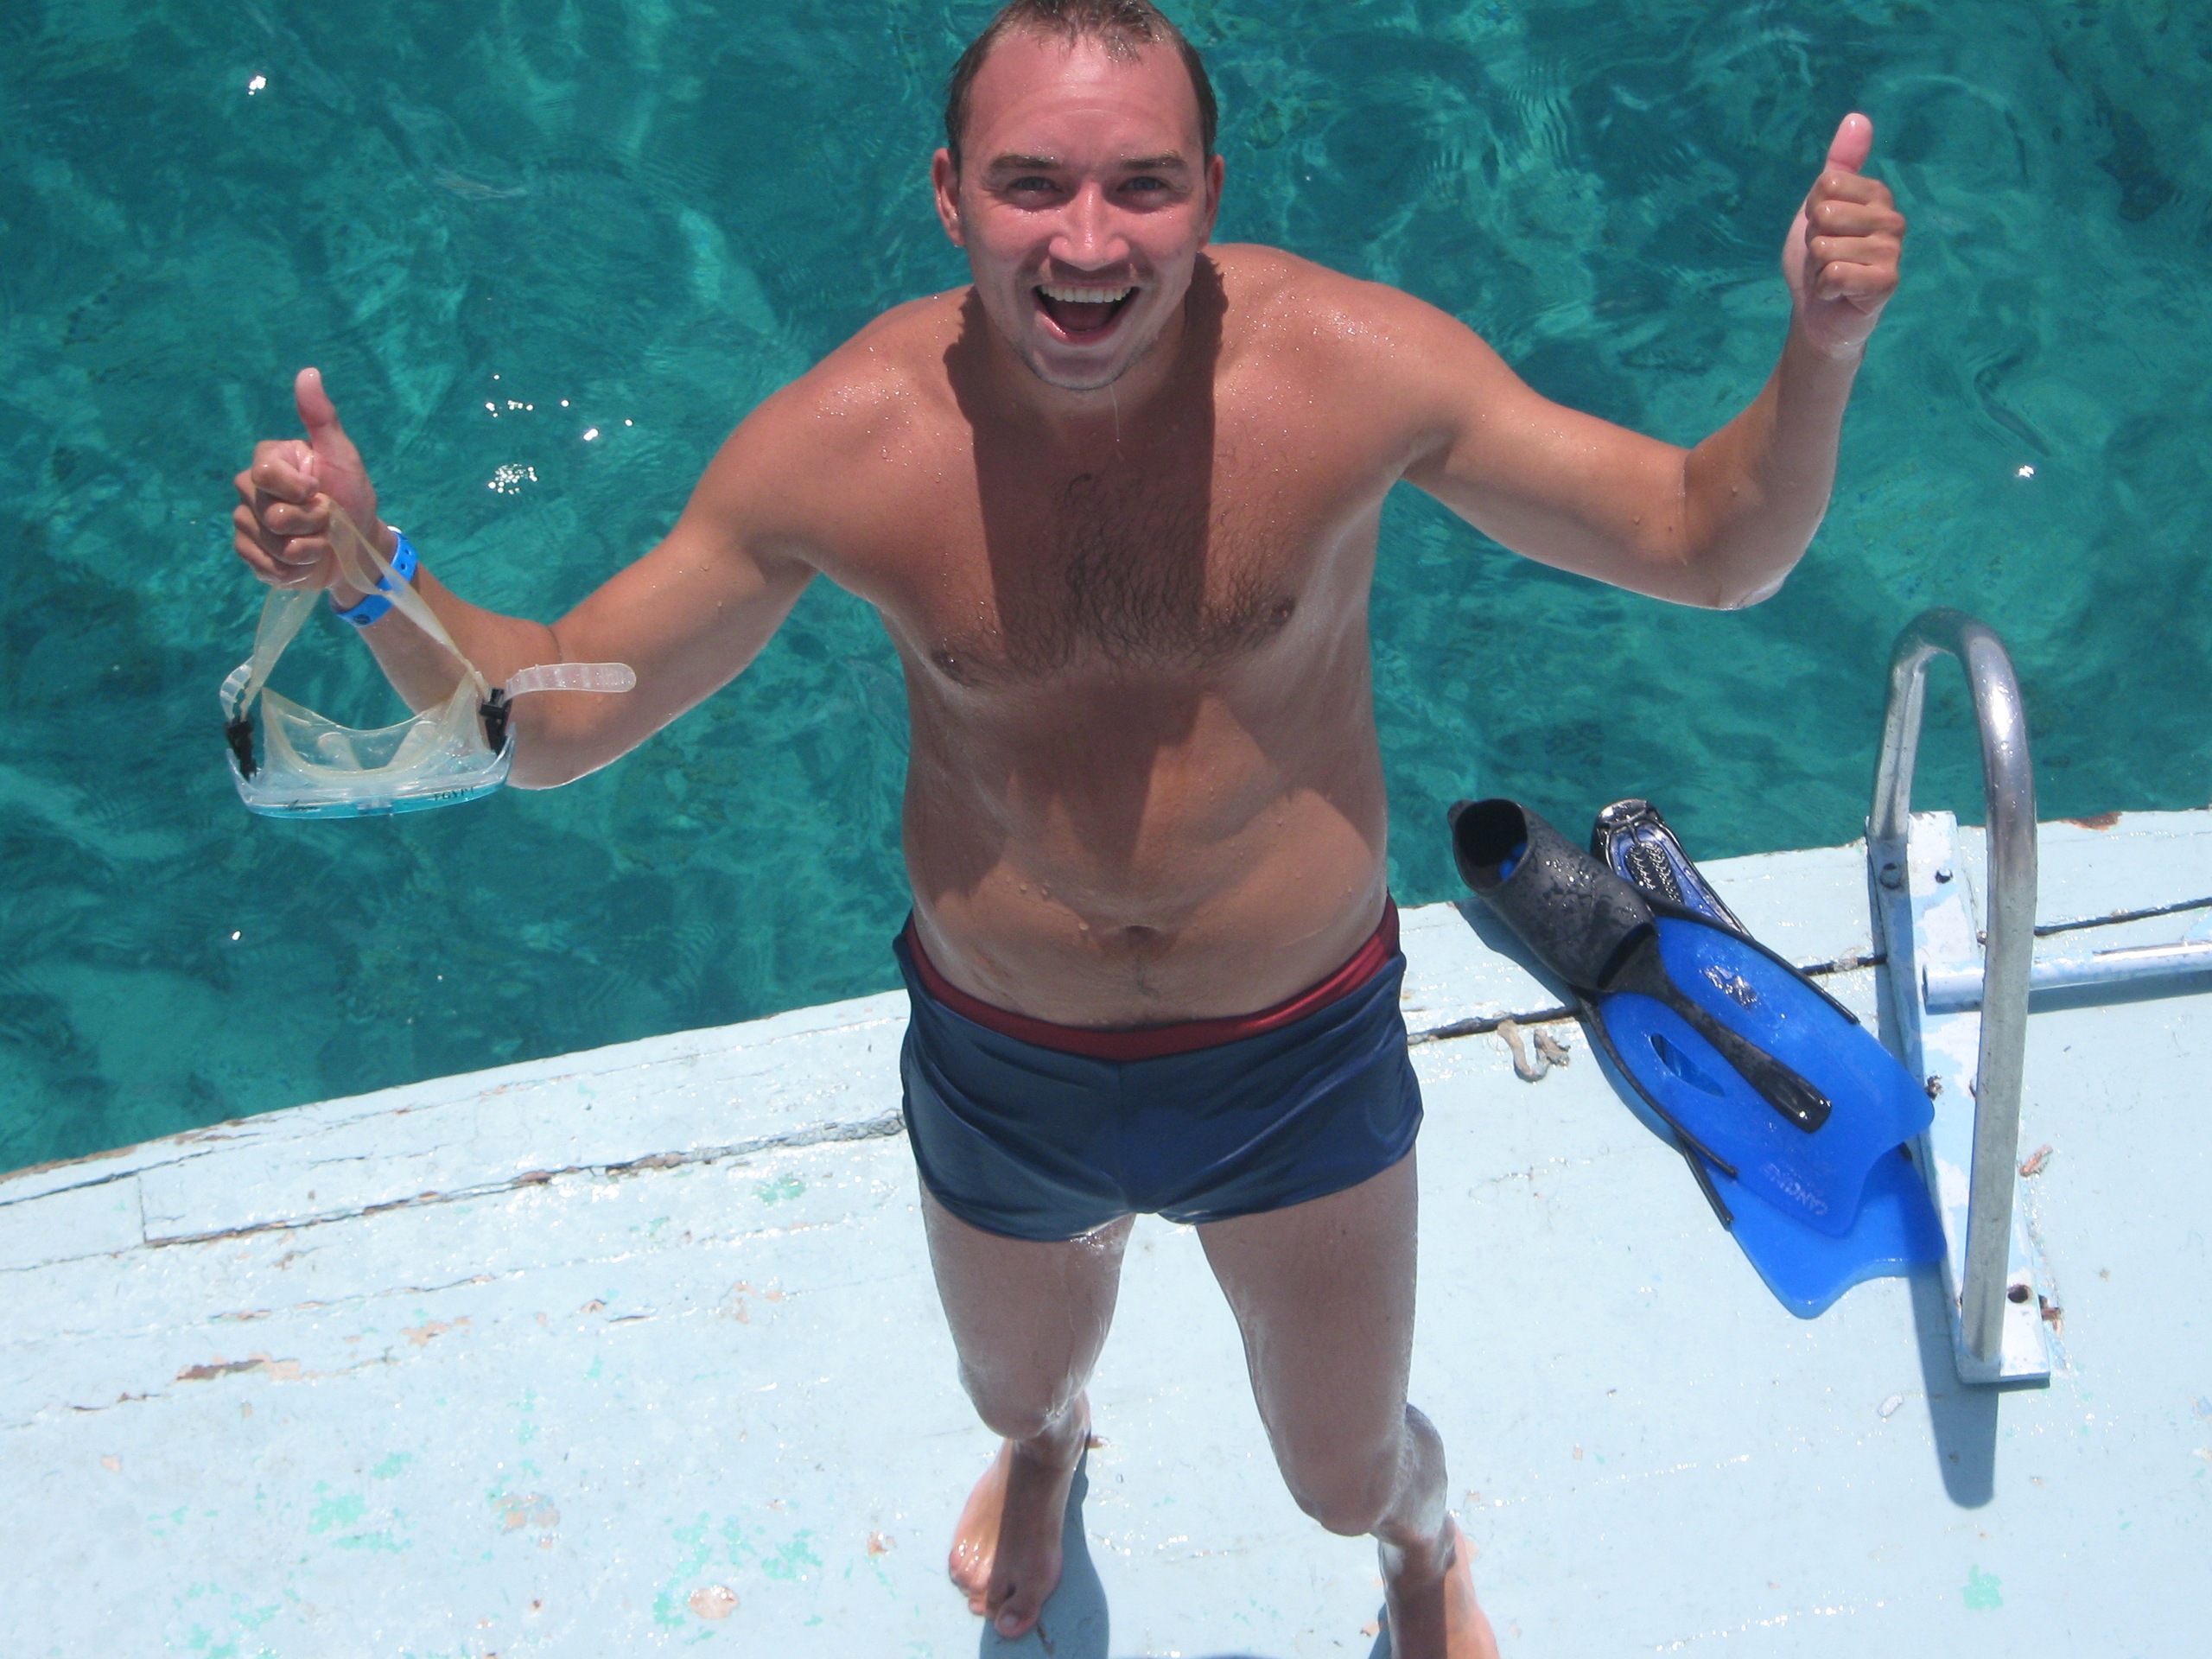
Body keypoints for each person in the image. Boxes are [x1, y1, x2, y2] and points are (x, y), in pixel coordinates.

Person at [232, 3, 1904, 1651]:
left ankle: (1420, 1544)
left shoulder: (1350, 375)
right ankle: (1050, 1451)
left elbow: (1706, 541)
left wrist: (1819, 353)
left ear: (1212, 191)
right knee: (1013, 1389)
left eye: (1142, 186)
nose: (1087, 243)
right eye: (1032, 184)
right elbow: (555, 720)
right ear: (949, 193)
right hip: (1004, 1057)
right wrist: (379, 581)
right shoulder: (847, 446)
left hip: (1294, 1050)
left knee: (1341, 1475)